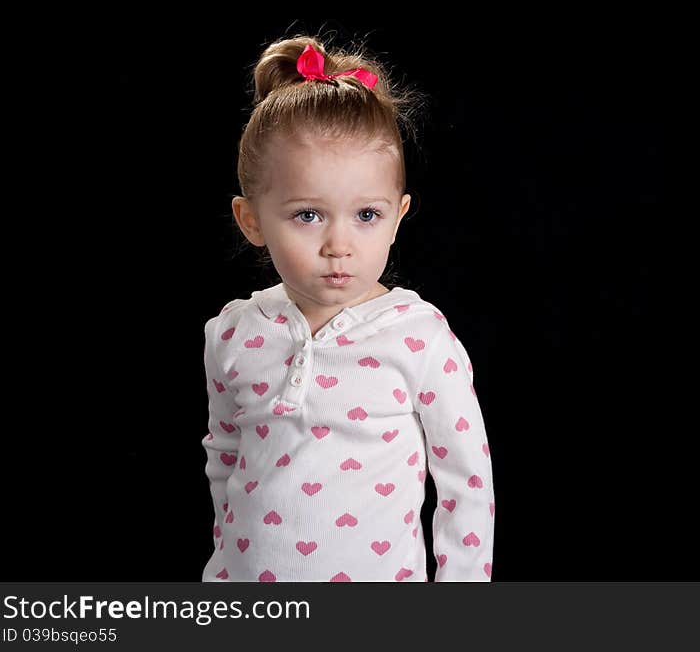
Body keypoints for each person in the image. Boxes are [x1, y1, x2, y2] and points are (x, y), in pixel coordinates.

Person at [200, 34, 495, 582]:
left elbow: (466, 482)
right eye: (308, 215)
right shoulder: (234, 335)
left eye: (366, 215)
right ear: (252, 221)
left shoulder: (418, 338)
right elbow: (225, 459)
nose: (340, 244)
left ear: (399, 215)